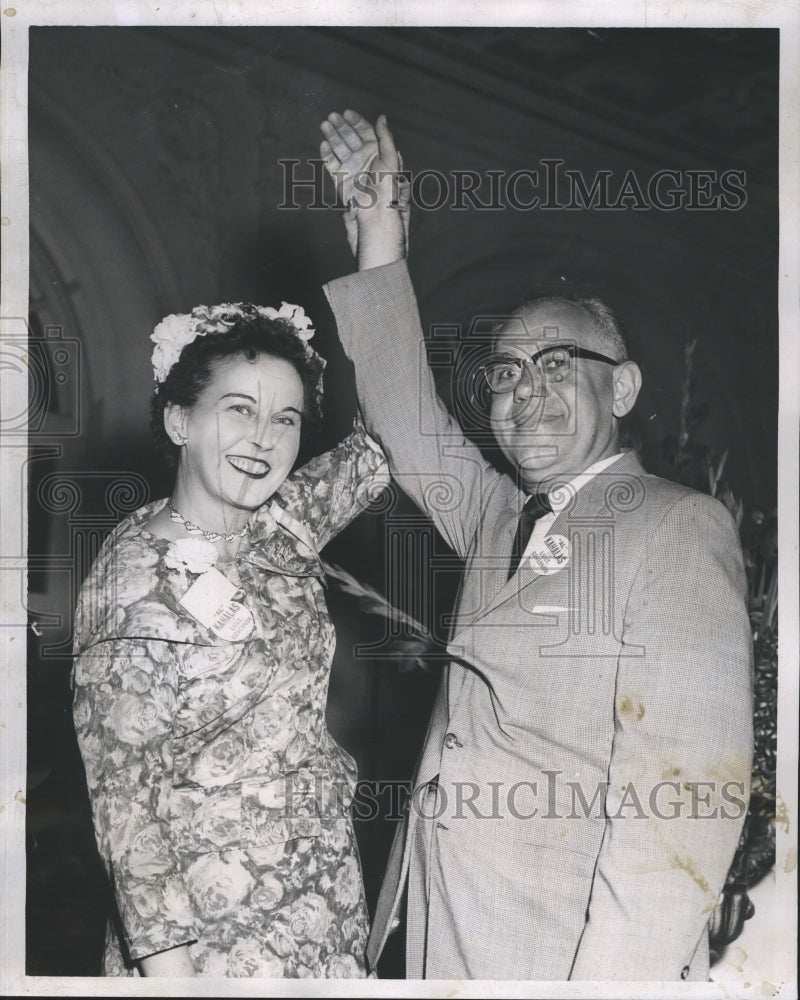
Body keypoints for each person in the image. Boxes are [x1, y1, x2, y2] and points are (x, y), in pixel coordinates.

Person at [318, 109, 754, 981]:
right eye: (508, 372)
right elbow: (405, 422)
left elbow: (682, 813)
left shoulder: (676, 526)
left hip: (559, 957)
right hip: (442, 928)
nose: (528, 391)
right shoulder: (493, 514)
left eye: (558, 364)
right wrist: (378, 231)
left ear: (623, 386)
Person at [71, 300, 389, 977]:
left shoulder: (280, 526)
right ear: (179, 419)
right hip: (213, 950)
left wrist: (378, 229)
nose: (263, 440)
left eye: (286, 419)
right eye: (239, 410)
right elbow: (129, 818)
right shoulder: (130, 585)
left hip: (323, 916)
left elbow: (381, 439)